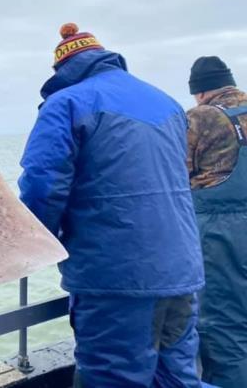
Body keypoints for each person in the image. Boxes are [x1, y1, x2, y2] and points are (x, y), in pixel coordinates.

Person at [18, 23, 205, 387]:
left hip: (116, 280)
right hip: (183, 272)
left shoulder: (66, 103)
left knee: (111, 377)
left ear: (62, 70)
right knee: (177, 378)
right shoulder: (167, 103)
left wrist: (31, 247)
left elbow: (43, 186)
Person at [186, 56, 247, 388]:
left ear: (199, 92)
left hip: (223, 237)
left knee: (224, 331)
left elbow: (172, 175)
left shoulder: (201, 118)